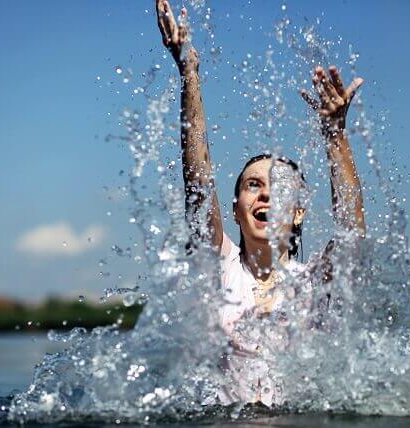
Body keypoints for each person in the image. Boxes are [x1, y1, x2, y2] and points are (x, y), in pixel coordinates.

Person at [156, 0, 366, 406]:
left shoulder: (315, 282)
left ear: (299, 210)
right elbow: (197, 182)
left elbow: (352, 234)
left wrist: (335, 136)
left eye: (279, 186)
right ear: (235, 208)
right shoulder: (219, 269)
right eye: (253, 185)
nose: (266, 193)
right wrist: (189, 75)